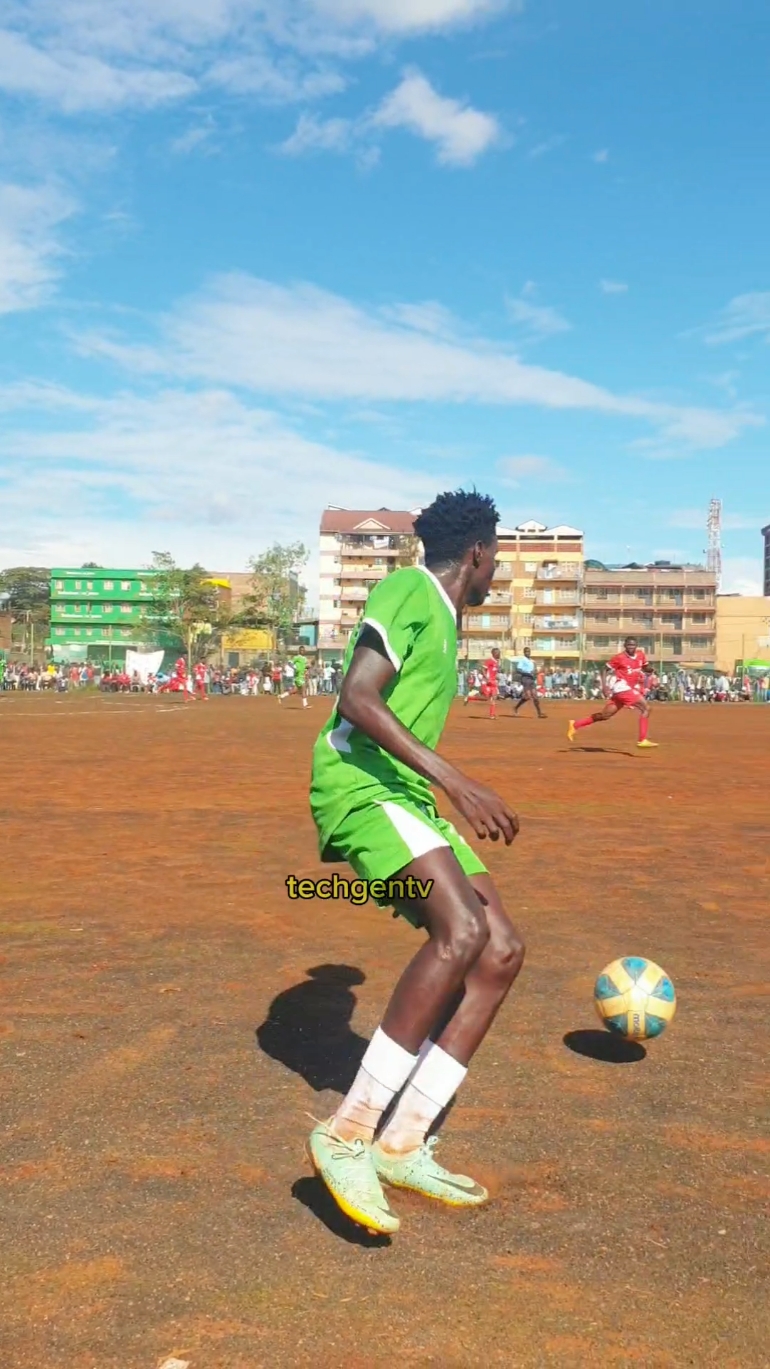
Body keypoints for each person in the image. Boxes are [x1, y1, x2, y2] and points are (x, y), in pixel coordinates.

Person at [307, 489, 524, 1237]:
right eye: (497, 551)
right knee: (460, 933)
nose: (498, 564)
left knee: (499, 950)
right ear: (476, 554)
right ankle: (348, 1131)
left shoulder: (449, 617)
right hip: (362, 787)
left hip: (407, 796)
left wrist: (440, 789)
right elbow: (358, 699)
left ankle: (404, 1140)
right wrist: (458, 782)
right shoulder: (410, 588)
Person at [568, 637, 658, 749]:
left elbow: (645, 667)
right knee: (646, 709)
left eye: (633, 645)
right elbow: (604, 670)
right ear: (625, 645)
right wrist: (604, 686)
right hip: (622, 687)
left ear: (636, 646)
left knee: (605, 715)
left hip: (624, 690)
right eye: (629, 645)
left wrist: (651, 670)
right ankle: (642, 739)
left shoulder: (640, 655)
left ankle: (575, 724)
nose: (631, 647)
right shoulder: (619, 658)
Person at [463, 647, 501, 719]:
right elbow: (483, 669)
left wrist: (496, 677)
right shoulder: (489, 661)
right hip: (486, 682)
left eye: (499, 653)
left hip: (493, 682)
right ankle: (469, 698)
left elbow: (493, 672)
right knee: (485, 698)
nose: (499, 654)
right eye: (497, 653)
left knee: (494, 697)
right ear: (493, 653)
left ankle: (492, 715)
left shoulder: (497, 662)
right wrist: (487, 678)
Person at [512, 648, 545, 719]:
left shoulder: (532, 661)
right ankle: (516, 707)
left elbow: (534, 670)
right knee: (528, 696)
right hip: (525, 678)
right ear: (524, 653)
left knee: (535, 696)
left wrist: (535, 672)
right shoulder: (522, 660)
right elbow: (518, 669)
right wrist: (528, 673)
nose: (528, 653)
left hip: (531, 679)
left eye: (529, 652)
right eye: (526, 652)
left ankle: (539, 713)